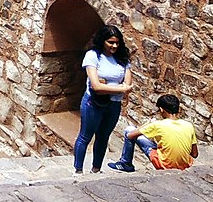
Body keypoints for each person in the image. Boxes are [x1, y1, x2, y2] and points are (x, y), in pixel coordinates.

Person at [73, 24, 133, 174]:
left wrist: (110, 87)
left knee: (103, 137)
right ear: (103, 41)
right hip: (93, 103)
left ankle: (96, 168)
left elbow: (128, 85)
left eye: (117, 43)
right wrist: (119, 88)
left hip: (113, 104)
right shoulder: (93, 56)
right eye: (110, 42)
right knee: (85, 136)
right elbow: (96, 86)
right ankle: (78, 170)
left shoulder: (122, 59)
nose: (114, 46)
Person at [109, 94, 198, 172]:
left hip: (164, 164)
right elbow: (194, 154)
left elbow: (130, 135)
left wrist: (147, 124)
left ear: (161, 109)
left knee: (129, 130)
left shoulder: (158, 124)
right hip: (185, 166)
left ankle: (125, 163)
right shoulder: (189, 125)